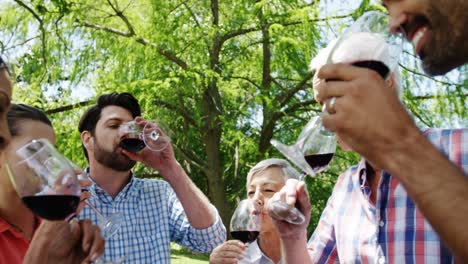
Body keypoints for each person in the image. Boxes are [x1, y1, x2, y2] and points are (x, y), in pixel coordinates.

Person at [269, 4, 468, 261]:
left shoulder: (461, 148)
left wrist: (399, 142)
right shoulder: (345, 187)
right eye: (321, 103)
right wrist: (292, 236)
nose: (326, 119)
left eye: (336, 95)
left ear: (384, 84)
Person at [77, 92, 226, 263]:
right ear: (88, 139)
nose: (126, 133)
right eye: (113, 125)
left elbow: (210, 240)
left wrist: (170, 168)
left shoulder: (160, 193)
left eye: (131, 128)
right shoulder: (68, 198)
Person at [0, 102, 105, 263]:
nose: (47, 162)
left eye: (51, 152)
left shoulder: (55, 224)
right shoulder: (50, 226)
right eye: (34, 150)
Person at [210, 158, 300, 264]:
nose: (256, 199)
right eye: (251, 192)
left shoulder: (313, 256)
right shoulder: (238, 259)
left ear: (295, 199)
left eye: (268, 190)